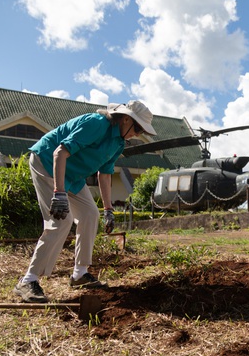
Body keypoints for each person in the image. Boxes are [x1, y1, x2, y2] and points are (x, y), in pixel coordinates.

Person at [14, 100, 157, 303]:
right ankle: (28, 280)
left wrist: (108, 209)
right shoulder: (96, 124)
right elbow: (59, 153)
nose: (138, 134)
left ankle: (80, 274)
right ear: (126, 119)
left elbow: (105, 174)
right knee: (61, 221)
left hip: (73, 175)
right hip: (46, 162)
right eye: (138, 128)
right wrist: (59, 193)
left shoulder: (118, 142)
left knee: (91, 214)